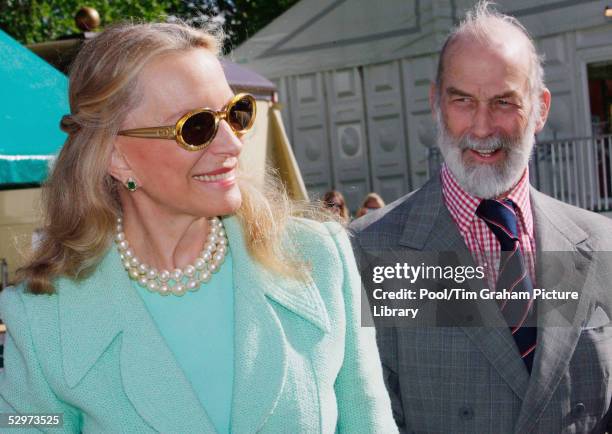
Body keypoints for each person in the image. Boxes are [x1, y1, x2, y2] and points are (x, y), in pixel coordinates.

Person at [0, 22, 397, 433]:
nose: (232, 144)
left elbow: (370, 421)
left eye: (237, 114)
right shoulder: (42, 313)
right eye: (196, 127)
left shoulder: (321, 258)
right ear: (117, 158)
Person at [350, 2, 612, 433]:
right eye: (463, 101)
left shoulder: (600, 244)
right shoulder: (373, 251)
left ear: (540, 108)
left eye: (504, 102)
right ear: (437, 104)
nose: (483, 127)